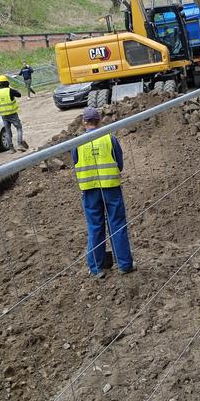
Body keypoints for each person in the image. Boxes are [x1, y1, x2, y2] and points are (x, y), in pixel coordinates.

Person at [72, 107, 135, 279]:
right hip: (111, 188)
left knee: (95, 227)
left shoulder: (77, 143)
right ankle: (125, 265)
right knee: (117, 224)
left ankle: (96, 268)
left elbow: (75, 163)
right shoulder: (109, 138)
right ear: (99, 120)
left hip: (90, 191)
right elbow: (119, 164)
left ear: (84, 122)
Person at [0, 75, 28, 154]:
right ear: (7, 82)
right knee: (19, 128)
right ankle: (19, 145)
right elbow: (19, 95)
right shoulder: (9, 90)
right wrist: (11, 88)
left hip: (3, 115)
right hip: (12, 114)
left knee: (8, 131)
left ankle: (11, 149)